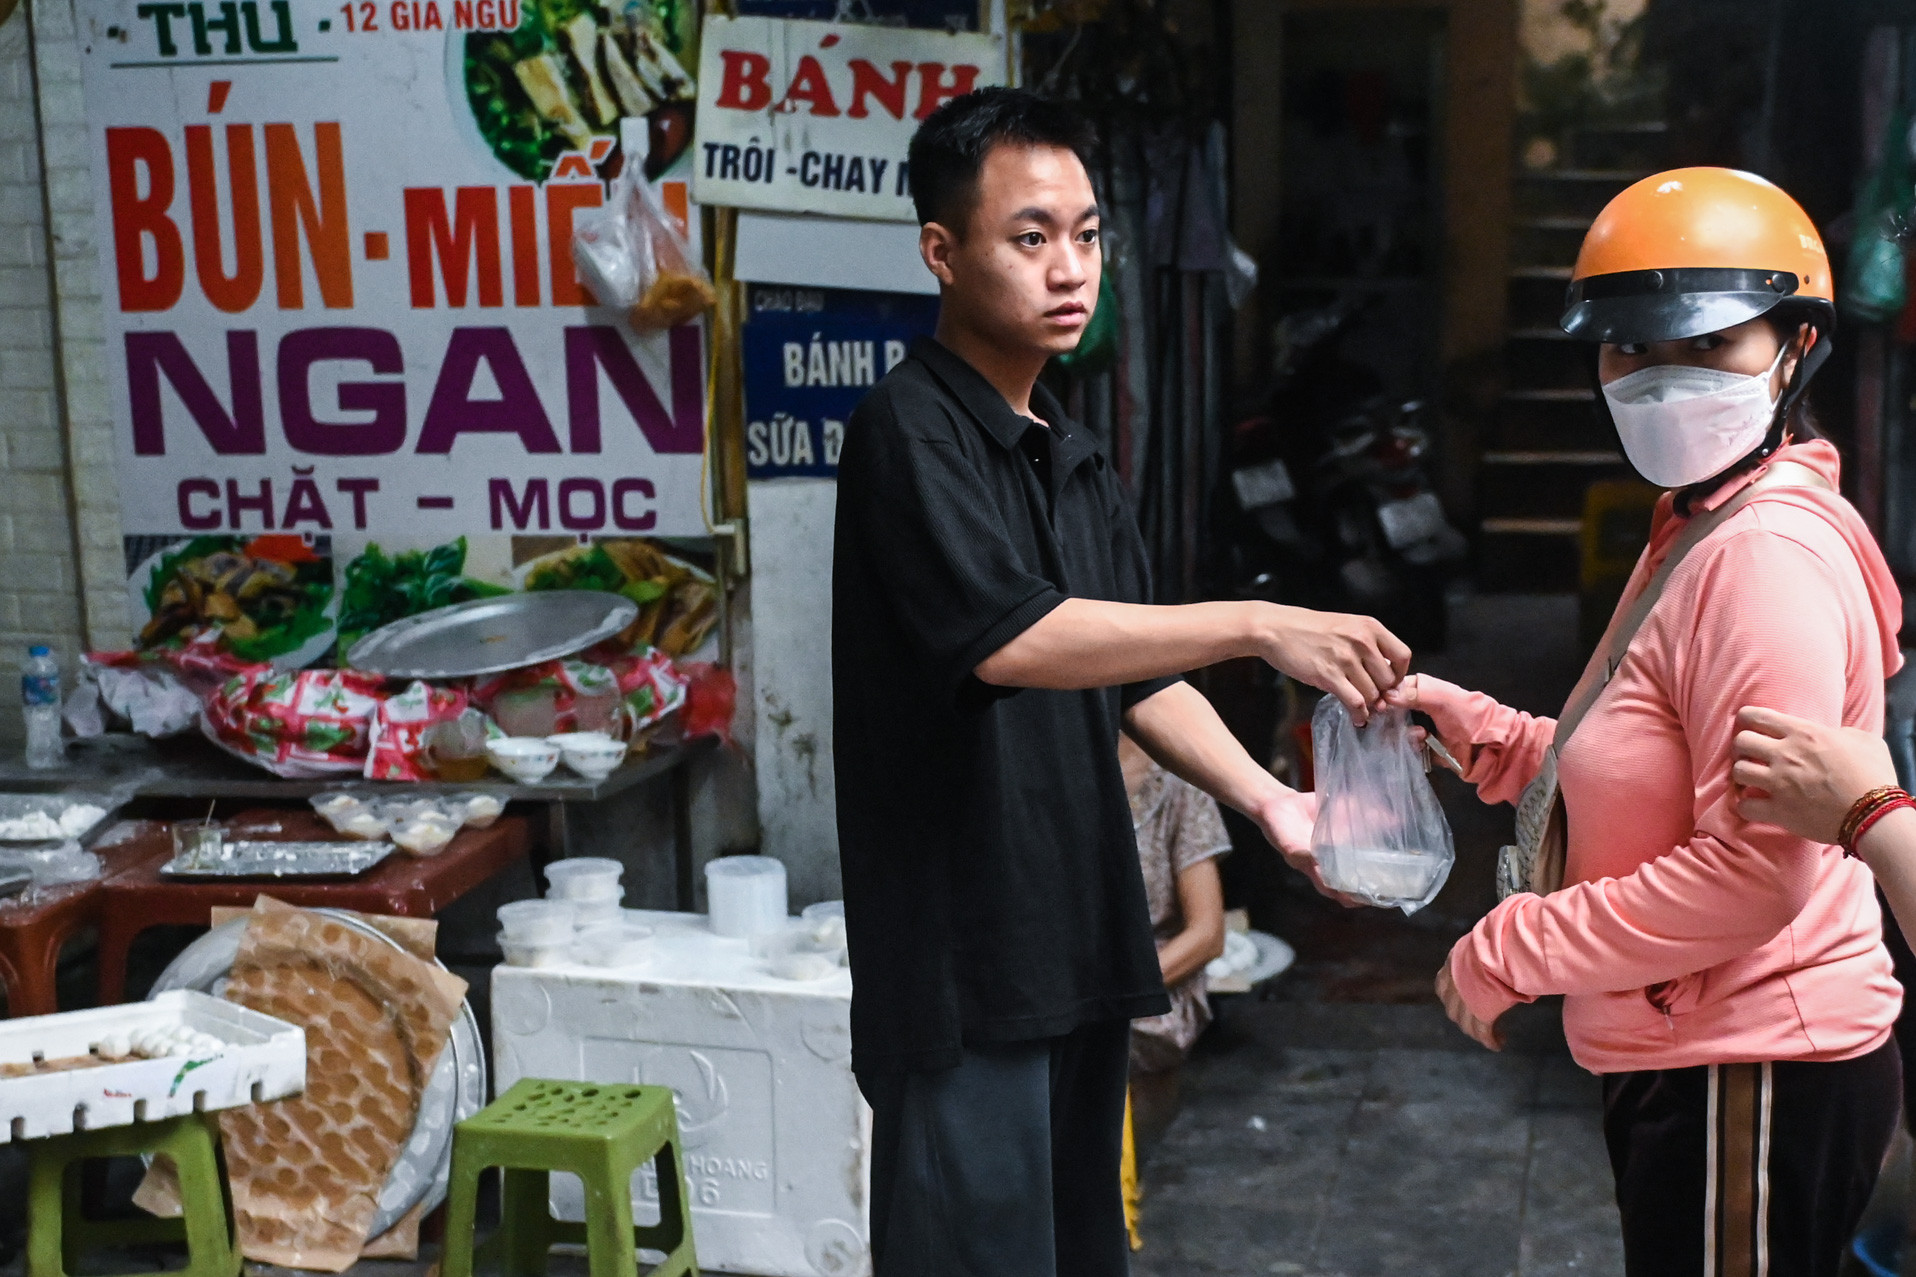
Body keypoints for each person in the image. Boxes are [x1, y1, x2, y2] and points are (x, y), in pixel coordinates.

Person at [832, 88, 1409, 1277]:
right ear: (941, 252)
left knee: (1077, 1252)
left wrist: (1271, 802)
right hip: (963, 969)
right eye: (1029, 236)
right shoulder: (908, 433)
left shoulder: (1071, 448)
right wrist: (1256, 622)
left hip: (1078, 945)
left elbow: (1137, 675)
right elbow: (1015, 639)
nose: (1069, 269)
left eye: (1087, 236)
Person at [1392, 168, 1905, 1277]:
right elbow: (1654, 763)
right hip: (1697, 1051)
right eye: (1627, 350)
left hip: (1753, 1057)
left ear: (1796, 348)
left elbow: (1750, 873)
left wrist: (1514, 946)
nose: (1659, 379)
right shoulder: (1698, 520)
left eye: (1704, 347)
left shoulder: (1758, 557)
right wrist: (1483, 733)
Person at [1119, 732, 1232, 1075]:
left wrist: (1114, 994)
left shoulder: (1178, 784)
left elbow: (1207, 934)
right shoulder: (1043, 776)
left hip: (1147, 980)